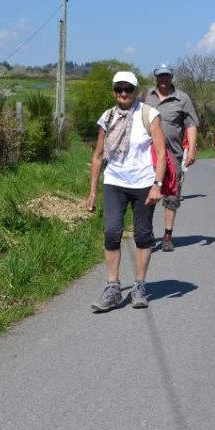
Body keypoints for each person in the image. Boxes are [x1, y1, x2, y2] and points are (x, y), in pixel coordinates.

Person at [86, 71, 167, 311]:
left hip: (143, 183)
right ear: (113, 91)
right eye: (119, 89)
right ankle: (112, 287)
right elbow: (98, 155)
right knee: (112, 232)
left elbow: (162, 153)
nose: (123, 93)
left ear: (135, 90)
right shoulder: (108, 116)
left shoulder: (149, 114)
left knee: (143, 235)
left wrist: (157, 184)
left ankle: (140, 286)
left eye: (128, 89)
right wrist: (92, 191)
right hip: (114, 181)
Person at [143, 63, 199, 251]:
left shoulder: (182, 98)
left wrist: (191, 149)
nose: (164, 79)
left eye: (167, 75)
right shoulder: (145, 96)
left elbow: (191, 124)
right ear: (155, 77)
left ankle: (167, 236)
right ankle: (147, 234)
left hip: (173, 154)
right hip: (146, 154)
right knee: (147, 194)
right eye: (161, 76)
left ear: (171, 77)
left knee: (171, 196)